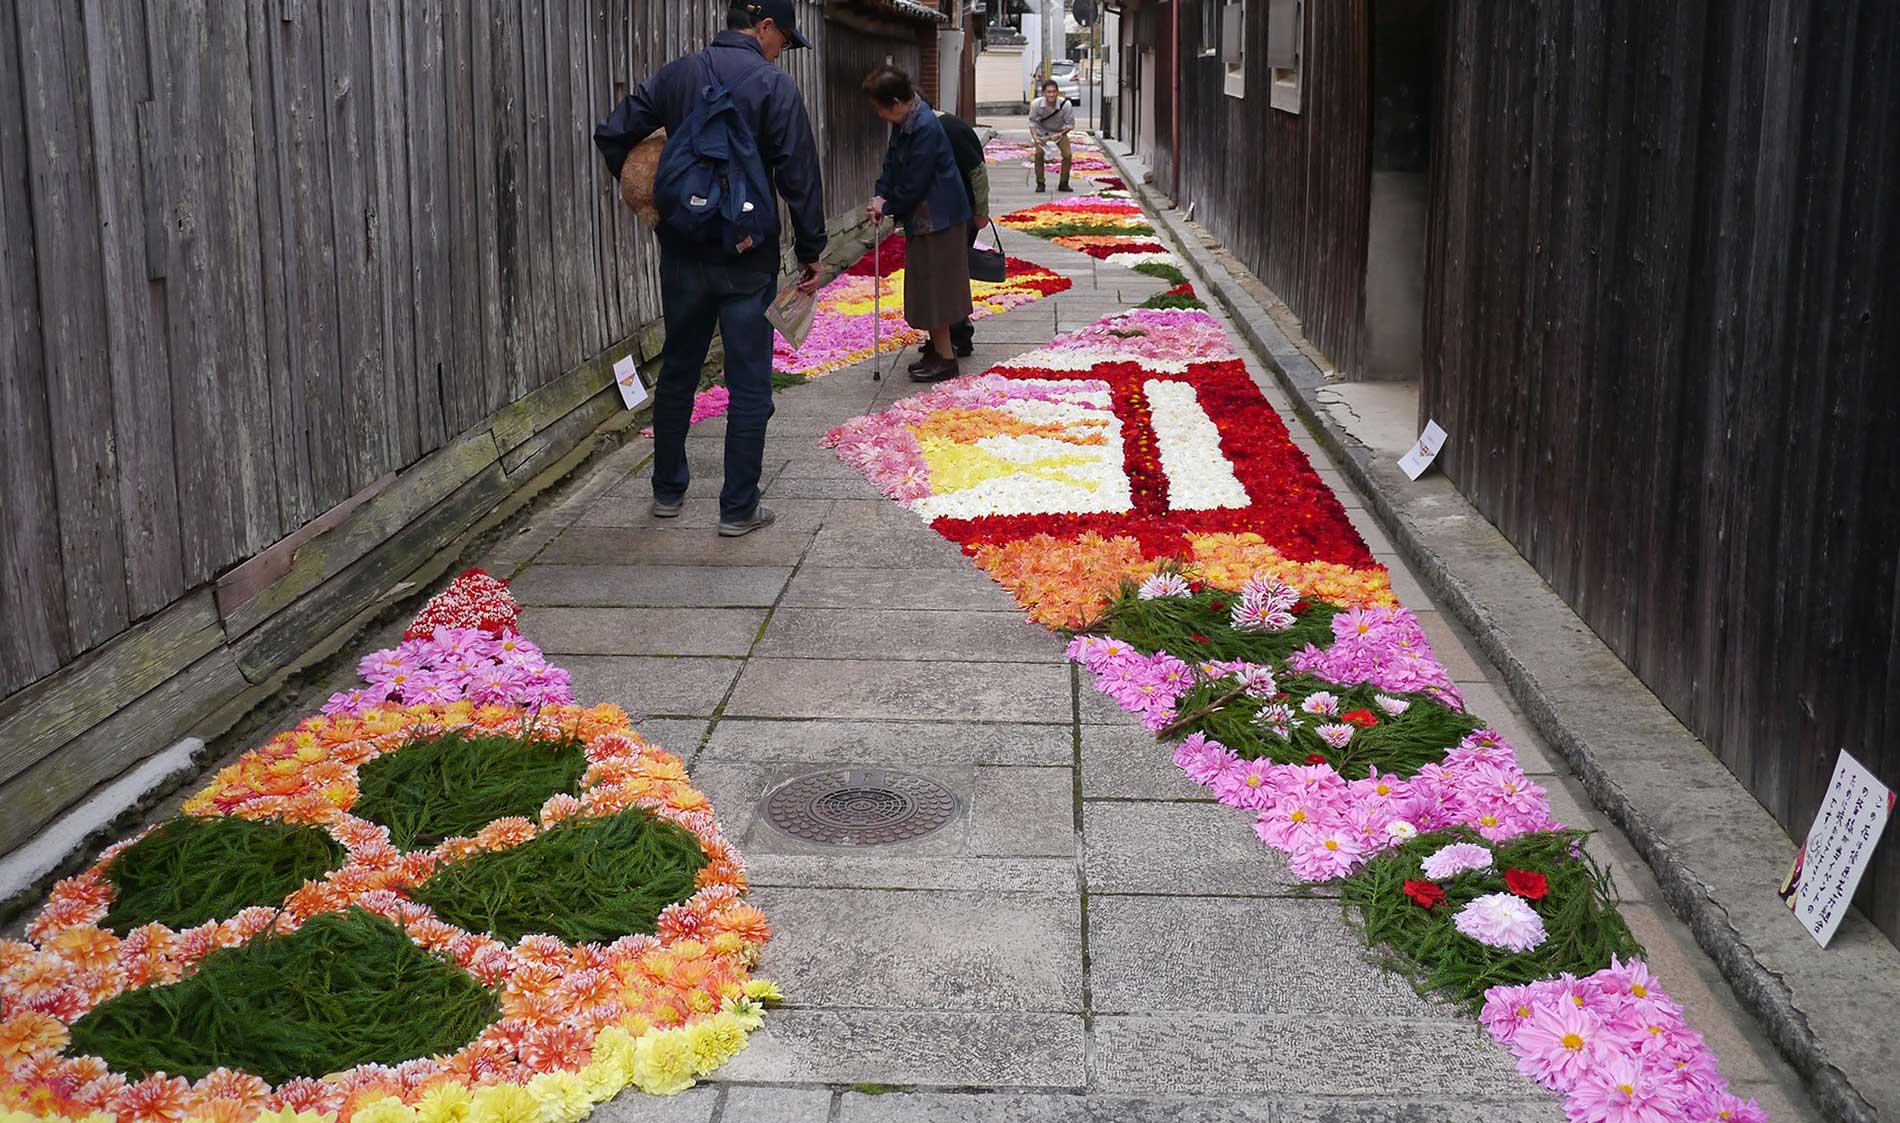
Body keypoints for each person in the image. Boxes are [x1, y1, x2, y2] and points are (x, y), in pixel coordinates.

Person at [593, 0, 826, 537]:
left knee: (679, 369)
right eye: (784, 41)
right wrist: (812, 249)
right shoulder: (774, 88)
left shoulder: (679, 75)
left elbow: (613, 132)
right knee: (749, 384)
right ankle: (737, 507)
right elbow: (798, 175)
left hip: (682, 250)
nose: (781, 52)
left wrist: (647, 198)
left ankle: (667, 492)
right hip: (748, 255)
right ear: (764, 27)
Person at [863, 66, 972, 383]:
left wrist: (889, 204)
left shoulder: (924, 126)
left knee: (934, 288)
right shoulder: (906, 119)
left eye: (882, 108)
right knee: (926, 286)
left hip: (938, 218)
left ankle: (946, 359)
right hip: (926, 218)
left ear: (897, 101)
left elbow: (915, 182)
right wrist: (880, 194)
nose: (881, 115)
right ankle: (938, 350)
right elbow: (892, 164)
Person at [924, 109, 988, 359]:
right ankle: (946, 338)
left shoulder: (948, 129)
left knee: (952, 276)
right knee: (947, 275)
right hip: (943, 212)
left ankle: (959, 337)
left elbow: (978, 171)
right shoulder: (930, 127)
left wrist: (981, 212)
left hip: (962, 212)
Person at [1029, 79, 1074, 193]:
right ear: (1044, 93)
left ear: (1058, 92)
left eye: (1054, 91)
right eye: (1048, 92)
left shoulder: (1066, 105)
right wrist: (1035, 138)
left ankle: (1064, 183)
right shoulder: (1036, 104)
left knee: (1067, 154)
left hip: (1058, 131)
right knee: (1039, 153)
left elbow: (1070, 125)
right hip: (1041, 132)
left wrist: (1061, 134)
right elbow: (1032, 123)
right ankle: (1040, 183)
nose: (1051, 94)